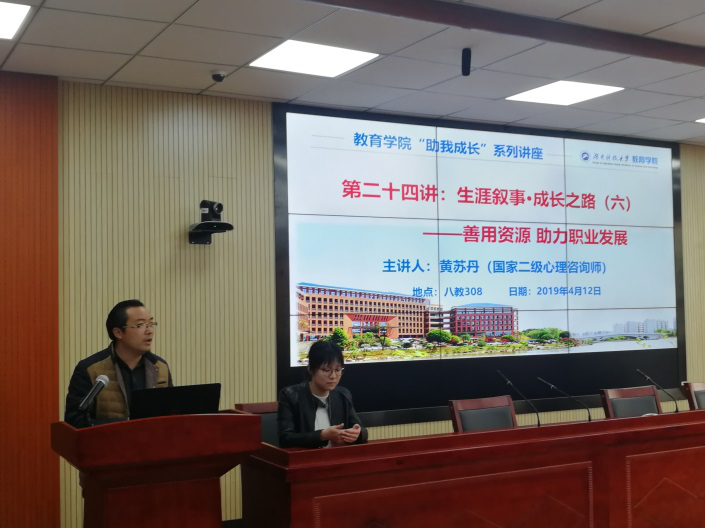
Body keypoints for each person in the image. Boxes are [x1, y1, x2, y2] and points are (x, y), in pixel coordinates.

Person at [64, 299, 173, 428]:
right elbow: (74, 421)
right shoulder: (90, 369)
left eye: (151, 324)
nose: (149, 331)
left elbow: (171, 415)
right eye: (140, 325)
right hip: (107, 440)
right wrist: (125, 425)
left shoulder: (160, 367)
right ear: (118, 332)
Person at [278, 340, 367, 448]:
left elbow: (363, 432)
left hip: (337, 456)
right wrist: (322, 435)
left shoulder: (342, 395)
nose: (333, 376)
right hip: (306, 458)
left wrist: (356, 434)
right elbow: (285, 439)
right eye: (326, 370)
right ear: (310, 369)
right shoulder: (290, 395)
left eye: (338, 370)